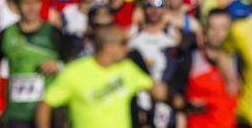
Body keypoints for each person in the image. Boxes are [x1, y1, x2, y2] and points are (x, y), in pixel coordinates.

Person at [36, 24, 168, 128]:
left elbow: (155, 88)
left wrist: (175, 98)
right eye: (122, 43)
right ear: (108, 47)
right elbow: (45, 104)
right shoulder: (74, 72)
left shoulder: (127, 68)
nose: (127, 48)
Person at [0, 0, 69, 127]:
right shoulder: (6, 34)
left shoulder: (53, 34)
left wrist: (58, 66)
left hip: (48, 109)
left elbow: (72, 64)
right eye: (25, 2)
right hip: (16, 111)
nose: (31, 7)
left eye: (35, 2)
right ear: (17, 5)